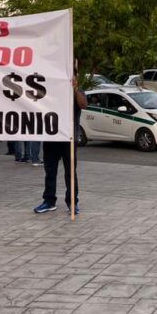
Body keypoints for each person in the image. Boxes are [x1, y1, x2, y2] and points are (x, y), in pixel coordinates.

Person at [35, 75, 88, 215]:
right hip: (51, 137)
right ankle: (49, 201)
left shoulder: (77, 91)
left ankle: (72, 202)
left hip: (69, 138)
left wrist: (75, 88)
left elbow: (83, 104)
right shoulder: (49, 91)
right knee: (50, 171)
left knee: (70, 172)